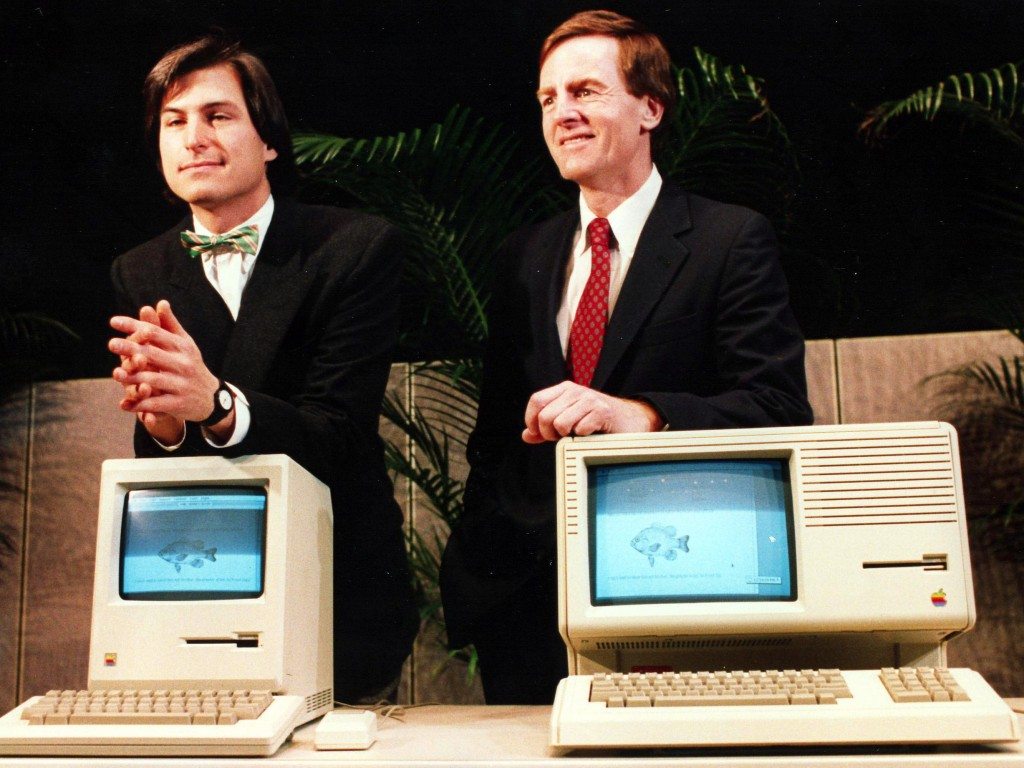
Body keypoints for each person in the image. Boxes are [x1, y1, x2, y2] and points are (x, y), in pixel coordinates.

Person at [440, 10, 814, 704]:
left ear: (650, 107)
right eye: (549, 99)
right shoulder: (522, 256)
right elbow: (494, 437)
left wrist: (640, 415)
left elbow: (780, 409)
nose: (563, 114)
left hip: (673, 590)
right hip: (525, 608)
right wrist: (477, 565)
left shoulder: (729, 241)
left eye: (585, 92)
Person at [107, 36, 418, 703]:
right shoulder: (139, 270)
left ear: (270, 139)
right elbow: (169, 454)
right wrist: (161, 426)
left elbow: (337, 433)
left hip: (338, 599)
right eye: (175, 121)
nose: (194, 137)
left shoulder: (354, 248)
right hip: (198, 600)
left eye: (218, 116)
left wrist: (214, 403)